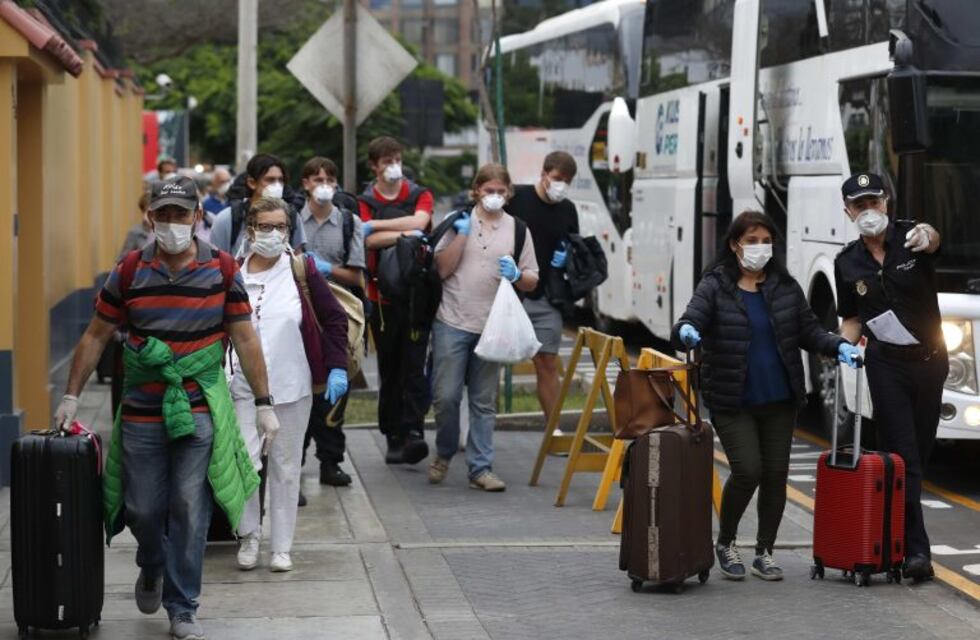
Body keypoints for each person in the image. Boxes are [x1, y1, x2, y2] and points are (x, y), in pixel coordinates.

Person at [52, 176, 275, 640]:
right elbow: (95, 334)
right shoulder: (130, 270)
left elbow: (244, 337)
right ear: (151, 218)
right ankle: (151, 561)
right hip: (141, 410)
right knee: (143, 508)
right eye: (164, 214)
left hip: (197, 407)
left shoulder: (223, 268)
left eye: (182, 214)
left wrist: (264, 402)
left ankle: (183, 605)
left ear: (198, 217)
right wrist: (71, 396)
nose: (173, 223)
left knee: (190, 506)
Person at [671, 210, 859, 582]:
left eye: (765, 241)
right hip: (732, 399)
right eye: (751, 241)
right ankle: (725, 542)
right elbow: (687, 321)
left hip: (780, 399)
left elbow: (809, 331)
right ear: (734, 245)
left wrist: (838, 347)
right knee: (748, 470)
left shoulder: (784, 288)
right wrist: (688, 331)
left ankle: (765, 551)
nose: (760, 248)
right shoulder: (715, 286)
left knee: (775, 475)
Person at [833, 172, 946, 582]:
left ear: (887, 203)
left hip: (931, 362)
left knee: (920, 453)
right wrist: (839, 346)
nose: (868, 211)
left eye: (874, 203)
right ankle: (916, 552)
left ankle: (893, 538)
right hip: (886, 365)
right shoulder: (846, 261)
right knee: (903, 457)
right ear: (847, 212)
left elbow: (932, 238)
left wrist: (927, 236)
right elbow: (850, 319)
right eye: (859, 206)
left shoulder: (909, 236)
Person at [230, 197, 350, 572]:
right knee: (244, 465)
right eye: (264, 226)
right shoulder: (231, 273)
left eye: (280, 227)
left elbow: (334, 320)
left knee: (285, 468)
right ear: (250, 229)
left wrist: (336, 368)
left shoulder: (301, 270)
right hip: (241, 386)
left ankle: (281, 547)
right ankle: (249, 536)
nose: (272, 234)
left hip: (291, 386)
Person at [427, 163, 539, 491]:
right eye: (488, 191)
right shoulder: (456, 222)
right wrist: (461, 235)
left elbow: (533, 277)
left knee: (482, 399)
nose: (494, 197)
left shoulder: (518, 229)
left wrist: (518, 275)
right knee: (446, 396)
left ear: (509, 194)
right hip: (452, 320)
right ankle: (445, 451)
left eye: (500, 191)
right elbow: (442, 269)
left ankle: (480, 467)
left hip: (493, 326)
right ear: (476, 191)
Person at [357, 136, 434, 465]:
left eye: (397, 159)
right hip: (381, 297)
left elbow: (422, 222)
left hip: (417, 297)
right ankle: (392, 433)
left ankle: (414, 430)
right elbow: (365, 238)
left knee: (415, 365)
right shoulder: (364, 200)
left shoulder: (419, 194)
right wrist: (404, 235)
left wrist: (377, 228)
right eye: (386, 161)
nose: (393, 166)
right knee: (389, 368)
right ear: (374, 166)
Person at [298, 156, 365, 487]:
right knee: (299, 390)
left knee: (336, 392)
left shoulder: (350, 222)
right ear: (305, 184)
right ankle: (294, 462)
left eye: (328, 179)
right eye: (316, 179)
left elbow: (357, 276)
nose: (322, 184)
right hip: (300, 313)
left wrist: (325, 268)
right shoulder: (293, 220)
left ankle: (331, 461)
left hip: (339, 312)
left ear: (336, 184)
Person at [505, 151, 579, 427]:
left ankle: (554, 430)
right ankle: (476, 432)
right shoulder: (517, 199)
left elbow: (574, 247)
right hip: (510, 294)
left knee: (547, 362)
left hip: (547, 297)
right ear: (544, 174)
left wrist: (568, 257)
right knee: (487, 365)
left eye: (567, 181)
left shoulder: (567, 210)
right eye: (558, 178)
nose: (561, 185)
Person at [210, 153, 306, 257]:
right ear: (252, 183)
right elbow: (216, 263)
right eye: (270, 180)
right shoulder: (227, 219)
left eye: (281, 180)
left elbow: (297, 258)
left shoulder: (291, 216)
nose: (277, 185)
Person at [119, 191, 154, 257]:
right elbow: (121, 261)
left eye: (150, 212)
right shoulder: (135, 232)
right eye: (144, 211)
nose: (145, 217)